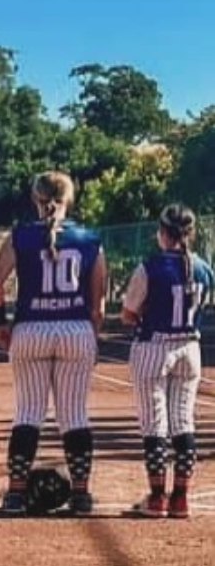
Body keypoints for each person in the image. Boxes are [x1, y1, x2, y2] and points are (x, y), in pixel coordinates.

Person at [0, 171, 107, 515]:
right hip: (75, 330)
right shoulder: (89, 238)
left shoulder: (20, 236)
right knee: (74, 415)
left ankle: (15, 493)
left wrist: (1, 325)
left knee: (27, 412)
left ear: (35, 199)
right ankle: (81, 494)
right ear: (69, 199)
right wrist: (92, 337)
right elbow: (97, 305)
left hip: (31, 330)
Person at [121, 203, 212, 519]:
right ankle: (181, 498)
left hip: (154, 347)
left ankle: (158, 496)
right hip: (190, 347)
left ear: (163, 232)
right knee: (183, 422)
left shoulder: (151, 266)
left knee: (154, 423)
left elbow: (128, 313)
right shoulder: (203, 267)